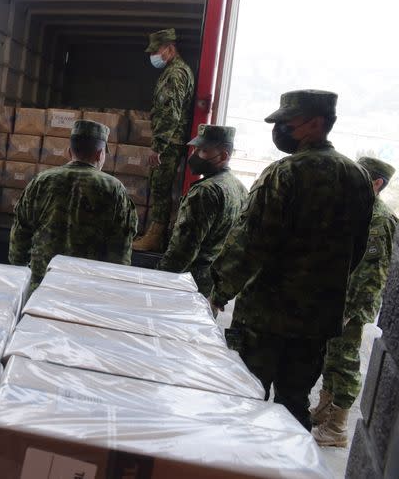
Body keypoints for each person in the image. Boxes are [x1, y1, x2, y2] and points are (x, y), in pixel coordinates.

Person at [209, 90, 375, 431]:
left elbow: (251, 242)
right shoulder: (357, 177)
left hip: (265, 317)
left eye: (286, 122)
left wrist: (219, 290)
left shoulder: (284, 173)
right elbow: (356, 250)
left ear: (316, 123)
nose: (280, 129)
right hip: (316, 320)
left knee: (243, 400)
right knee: (294, 404)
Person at [311, 156, 398, 446]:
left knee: (345, 361)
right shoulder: (357, 209)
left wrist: (349, 310)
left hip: (352, 306)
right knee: (330, 356)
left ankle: (337, 428)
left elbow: (373, 274)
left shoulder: (380, 219)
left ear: (376, 183)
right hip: (337, 299)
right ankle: (325, 410)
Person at [9, 119, 138, 288]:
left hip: (41, 286)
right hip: (84, 290)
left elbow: (20, 236)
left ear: (69, 151)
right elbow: (120, 250)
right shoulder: (114, 189)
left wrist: (21, 277)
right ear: (100, 154)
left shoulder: (41, 181)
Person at [157, 124, 248, 297]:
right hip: (211, 285)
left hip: (189, 284)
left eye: (203, 150)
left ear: (223, 156)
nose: (194, 155)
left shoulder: (206, 191)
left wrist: (159, 279)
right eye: (196, 149)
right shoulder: (239, 187)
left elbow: (184, 248)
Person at [134, 28, 195, 253]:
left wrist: (158, 147)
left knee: (160, 187)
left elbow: (171, 113)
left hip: (169, 142)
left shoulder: (177, 73)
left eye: (157, 51)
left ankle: (156, 238)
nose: (154, 56)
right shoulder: (172, 71)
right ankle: (154, 234)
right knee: (158, 186)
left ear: (169, 48)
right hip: (170, 140)